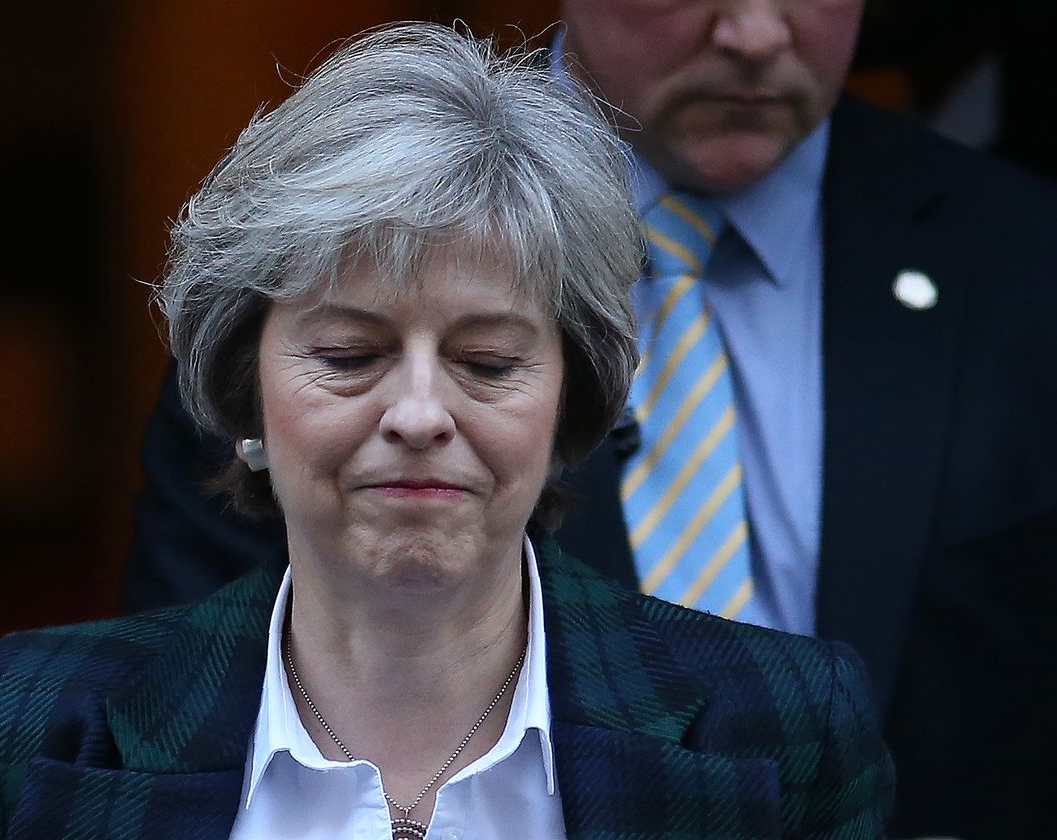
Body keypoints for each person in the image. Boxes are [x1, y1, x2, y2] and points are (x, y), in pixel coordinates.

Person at [0, 24, 894, 840]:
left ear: (571, 402)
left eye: (487, 363)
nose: (420, 415)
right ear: (243, 392)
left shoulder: (781, 730)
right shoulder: (38, 727)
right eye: (346, 356)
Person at [122, 3, 1057, 838]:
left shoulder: (1021, 261)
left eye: (487, 362)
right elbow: (164, 728)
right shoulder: (330, 235)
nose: (756, 33)